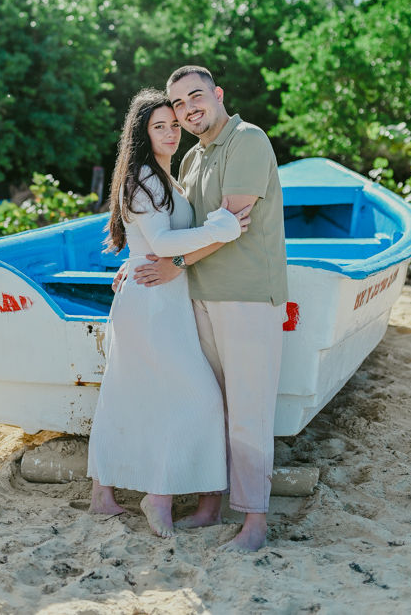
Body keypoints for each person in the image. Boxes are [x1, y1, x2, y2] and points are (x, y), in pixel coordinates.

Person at [133, 65, 288, 552]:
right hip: (201, 296)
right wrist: (143, 260)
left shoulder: (247, 140)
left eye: (196, 97)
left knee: (249, 410)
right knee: (211, 406)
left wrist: (174, 263)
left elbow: (230, 224)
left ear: (218, 94)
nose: (188, 109)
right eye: (178, 104)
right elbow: (184, 228)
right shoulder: (192, 158)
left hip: (245, 296)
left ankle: (255, 523)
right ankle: (209, 504)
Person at [87, 88, 251, 538]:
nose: (170, 132)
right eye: (159, 126)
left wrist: (136, 258)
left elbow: (149, 240)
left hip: (159, 298)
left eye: (174, 124)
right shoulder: (145, 178)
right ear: (141, 133)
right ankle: (157, 498)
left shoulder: (163, 176)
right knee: (197, 396)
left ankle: (102, 494)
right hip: (151, 304)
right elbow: (160, 244)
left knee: (128, 394)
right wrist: (224, 226)